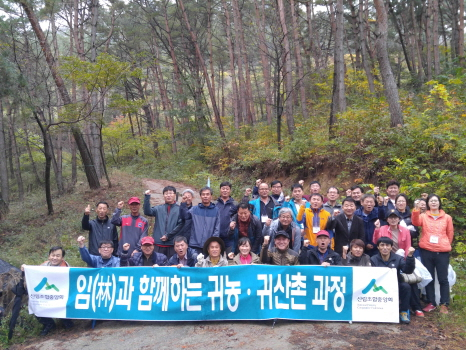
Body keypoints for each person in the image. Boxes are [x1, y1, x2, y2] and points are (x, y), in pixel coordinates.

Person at [412, 194, 454, 314]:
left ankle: (444, 303)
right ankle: (431, 302)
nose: (434, 203)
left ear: (439, 203)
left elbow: (450, 234)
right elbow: (415, 222)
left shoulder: (447, 218)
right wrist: (416, 209)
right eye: (431, 201)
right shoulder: (424, 216)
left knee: (443, 278)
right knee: (429, 277)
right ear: (428, 204)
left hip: (442, 251)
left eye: (436, 201)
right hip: (427, 250)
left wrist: (445, 244)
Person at [21, 247, 74, 335]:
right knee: (35, 303)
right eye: (53, 255)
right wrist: (25, 268)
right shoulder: (44, 265)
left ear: (62, 258)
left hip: (62, 294)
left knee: (66, 303)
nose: (55, 258)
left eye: (58, 256)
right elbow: (34, 273)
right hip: (47, 293)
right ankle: (48, 324)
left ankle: (66, 321)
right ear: (49, 256)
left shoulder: (66, 267)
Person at [371, 237, 416, 324]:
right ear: (378, 247)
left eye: (387, 245)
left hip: (395, 285)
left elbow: (408, 270)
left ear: (391, 247)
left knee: (406, 287)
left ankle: (404, 311)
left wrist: (410, 256)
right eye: (382, 245)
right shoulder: (373, 259)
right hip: (379, 287)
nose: (385, 248)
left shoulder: (398, 258)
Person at [143, 186, 182, 258]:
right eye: (166, 193)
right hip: (158, 244)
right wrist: (147, 197)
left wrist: (168, 236)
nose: (168, 195)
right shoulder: (158, 208)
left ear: (175, 195)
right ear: (163, 195)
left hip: (172, 244)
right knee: (157, 266)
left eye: (170, 193)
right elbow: (147, 212)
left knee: (171, 266)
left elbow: (180, 225)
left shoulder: (179, 209)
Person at [180, 187, 220, 254]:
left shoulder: (216, 210)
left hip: (208, 245)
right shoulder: (194, 209)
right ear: (200, 196)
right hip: (194, 244)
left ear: (211, 196)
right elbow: (184, 216)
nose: (205, 196)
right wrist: (183, 204)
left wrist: (213, 242)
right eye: (203, 194)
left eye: (207, 194)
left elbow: (217, 228)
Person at [214, 181, 238, 254]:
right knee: (216, 258)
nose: (225, 190)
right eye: (223, 188)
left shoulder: (235, 204)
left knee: (230, 258)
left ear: (230, 190)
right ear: (220, 190)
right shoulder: (215, 204)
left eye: (227, 189)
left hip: (229, 237)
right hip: (217, 236)